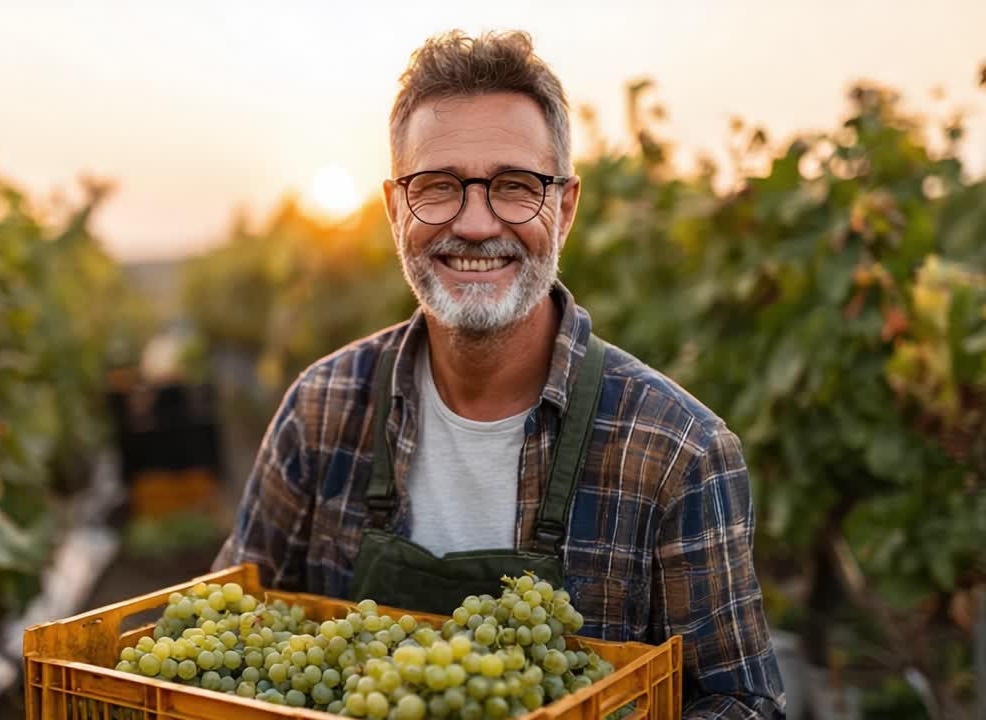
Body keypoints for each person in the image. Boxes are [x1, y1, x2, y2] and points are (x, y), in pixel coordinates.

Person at [213, 30, 785, 718]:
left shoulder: (676, 452)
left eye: (515, 187)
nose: (478, 223)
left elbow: (741, 704)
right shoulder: (322, 409)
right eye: (438, 187)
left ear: (564, 207)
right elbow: (226, 637)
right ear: (395, 209)